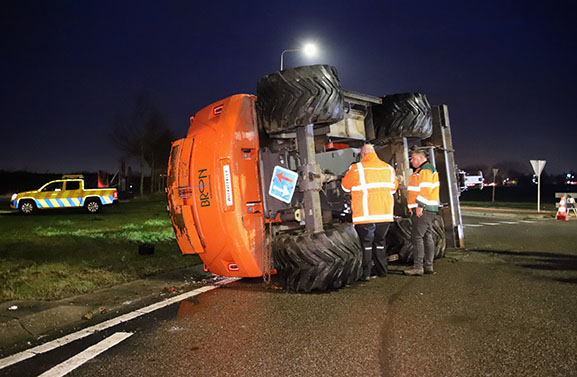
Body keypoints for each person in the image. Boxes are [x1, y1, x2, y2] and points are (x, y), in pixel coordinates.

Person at [342, 144, 398, 281]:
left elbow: (344, 186)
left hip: (365, 215)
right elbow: (394, 188)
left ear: (363, 154)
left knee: (366, 245)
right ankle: (382, 271)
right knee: (380, 242)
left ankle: (366, 274)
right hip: (385, 214)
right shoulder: (388, 168)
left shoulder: (357, 168)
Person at [404, 150, 440, 276]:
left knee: (417, 237)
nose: (411, 161)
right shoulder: (427, 169)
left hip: (423, 209)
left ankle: (418, 267)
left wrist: (420, 206)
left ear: (419, 158)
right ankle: (428, 265)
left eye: (413, 158)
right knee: (427, 236)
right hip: (430, 209)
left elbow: (425, 190)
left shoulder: (424, 170)